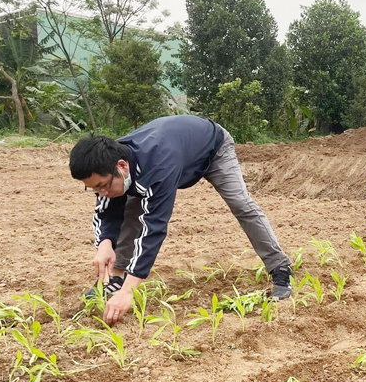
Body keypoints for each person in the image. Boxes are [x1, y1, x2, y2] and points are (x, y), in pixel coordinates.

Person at [69, 115, 292, 325]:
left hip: (213, 148)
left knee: (241, 204)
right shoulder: (109, 161)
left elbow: (153, 228)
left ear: (122, 166)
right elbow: (107, 209)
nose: (102, 192)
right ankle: (116, 276)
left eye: (103, 185)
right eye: (94, 188)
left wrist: (129, 292)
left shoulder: (159, 165)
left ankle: (280, 268)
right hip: (177, 150)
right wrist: (105, 244)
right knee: (128, 203)